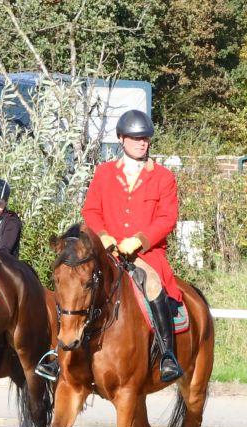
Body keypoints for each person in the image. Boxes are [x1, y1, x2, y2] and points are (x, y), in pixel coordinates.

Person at [81, 108, 183, 382]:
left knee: (153, 285)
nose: (142, 143)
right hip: (107, 251)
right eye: (136, 138)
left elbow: (167, 218)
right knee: (76, 281)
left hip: (145, 255)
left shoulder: (163, 177)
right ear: (121, 139)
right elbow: (91, 210)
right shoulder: (104, 173)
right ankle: (61, 353)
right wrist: (103, 235)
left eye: (145, 138)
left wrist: (139, 240)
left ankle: (167, 355)